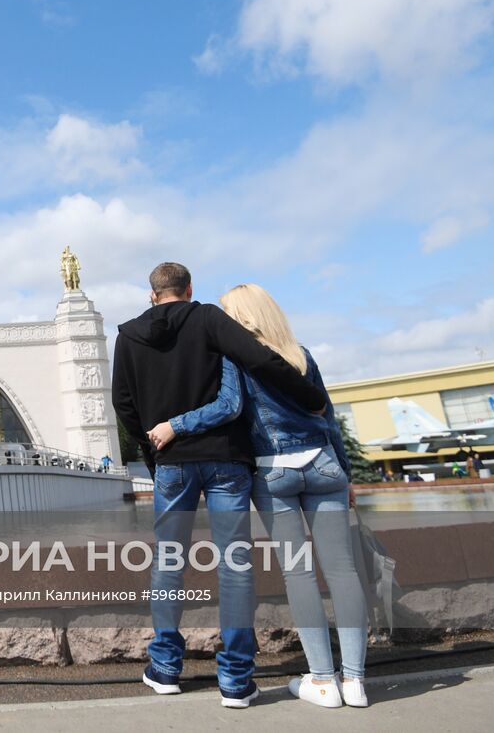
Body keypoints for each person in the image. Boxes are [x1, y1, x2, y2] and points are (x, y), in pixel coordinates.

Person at [112, 262, 326, 709]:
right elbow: (261, 360)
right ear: (189, 290)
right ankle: (235, 679)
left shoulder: (128, 336)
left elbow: (124, 406)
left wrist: (155, 453)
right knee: (234, 566)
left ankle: (166, 667)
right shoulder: (208, 317)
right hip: (226, 459)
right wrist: (312, 399)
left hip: (171, 461)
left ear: (153, 294)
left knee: (169, 562)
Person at [149, 284, 369, 709]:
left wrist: (175, 424)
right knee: (343, 572)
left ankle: (323, 681)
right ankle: (356, 681)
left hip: (274, 471)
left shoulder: (237, 359)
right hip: (325, 467)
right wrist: (346, 473)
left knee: (298, 572)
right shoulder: (302, 354)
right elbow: (329, 416)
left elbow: (229, 408)